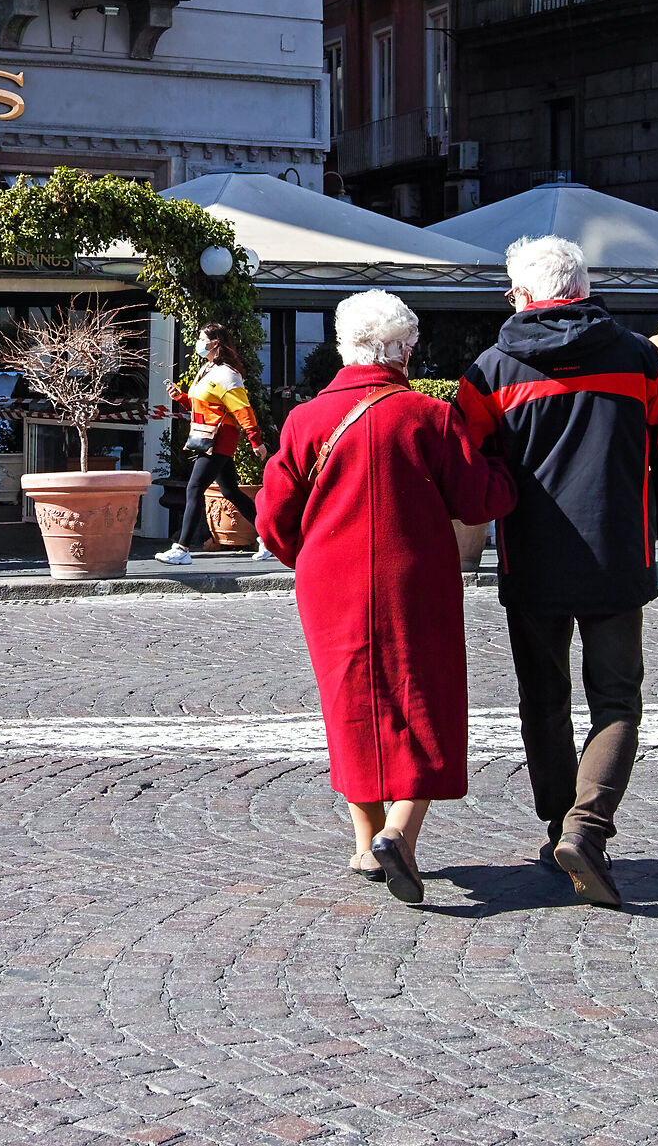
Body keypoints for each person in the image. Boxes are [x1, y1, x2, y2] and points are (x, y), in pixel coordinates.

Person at [457, 236, 658, 909]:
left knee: (543, 698)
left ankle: (558, 829)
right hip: (617, 553)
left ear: (521, 295)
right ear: (584, 289)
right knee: (616, 700)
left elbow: (467, 473)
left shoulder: (489, 371)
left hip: (531, 558)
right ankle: (586, 829)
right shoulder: (641, 360)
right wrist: (645, 517)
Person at [256, 290, 515, 906]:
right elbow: (479, 499)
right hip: (413, 580)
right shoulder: (429, 415)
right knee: (424, 698)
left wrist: (310, 557)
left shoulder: (305, 420)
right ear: (402, 351)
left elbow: (272, 518)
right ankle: (399, 833)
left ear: (345, 347)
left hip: (330, 583)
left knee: (351, 702)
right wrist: (507, 468)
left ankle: (364, 843)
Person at [156, 324, 273, 566]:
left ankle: (182, 548)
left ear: (215, 343)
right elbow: (203, 406)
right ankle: (269, 538)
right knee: (230, 491)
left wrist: (256, 440)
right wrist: (181, 397)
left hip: (218, 440)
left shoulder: (227, 375)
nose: (198, 343)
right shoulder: (207, 370)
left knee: (194, 488)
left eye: (202, 339)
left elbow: (243, 410)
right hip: (209, 438)